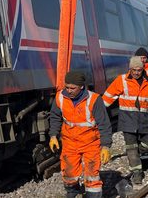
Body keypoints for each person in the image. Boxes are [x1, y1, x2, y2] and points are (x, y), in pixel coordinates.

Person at [49, 70, 113, 198]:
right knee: (69, 173)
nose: (69, 91)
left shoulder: (94, 99)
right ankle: (73, 193)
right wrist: (53, 136)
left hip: (91, 142)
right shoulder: (60, 97)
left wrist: (105, 146)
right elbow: (55, 117)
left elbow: (104, 124)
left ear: (81, 87)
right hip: (69, 142)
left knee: (92, 174)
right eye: (67, 87)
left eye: (73, 88)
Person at [102, 56, 148, 185]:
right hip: (128, 120)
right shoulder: (122, 80)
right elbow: (108, 96)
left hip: (146, 120)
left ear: (143, 69)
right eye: (134, 70)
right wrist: (98, 112)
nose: (136, 73)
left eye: (139, 70)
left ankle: (136, 153)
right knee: (131, 146)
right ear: (130, 69)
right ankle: (137, 173)